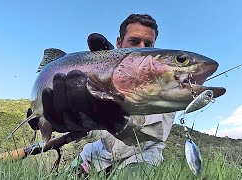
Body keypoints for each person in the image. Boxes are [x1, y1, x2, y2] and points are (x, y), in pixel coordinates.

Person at [37, 14, 176, 176]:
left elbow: (153, 132)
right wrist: (68, 117)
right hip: (98, 153)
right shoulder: (96, 77)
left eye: (148, 44)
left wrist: (112, 110)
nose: (142, 48)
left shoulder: (166, 83)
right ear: (119, 43)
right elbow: (89, 127)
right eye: (134, 41)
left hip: (142, 157)